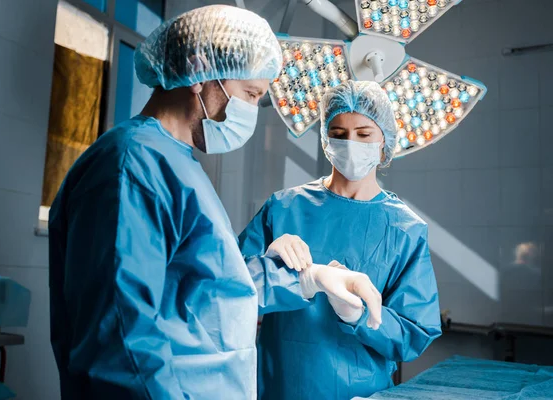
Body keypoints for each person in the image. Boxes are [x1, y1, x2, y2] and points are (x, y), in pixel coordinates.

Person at [48, 6, 382, 399]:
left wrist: (308, 278)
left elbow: (208, 292)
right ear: (199, 69)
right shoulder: (130, 167)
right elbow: (120, 339)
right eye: (250, 94)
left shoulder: (177, 163)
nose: (250, 112)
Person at [239, 80, 443, 400]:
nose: (351, 143)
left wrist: (359, 316)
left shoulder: (405, 229)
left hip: (359, 393)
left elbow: (414, 332)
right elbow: (225, 283)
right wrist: (265, 260)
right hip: (279, 384)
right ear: (325, 140)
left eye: (363, 134)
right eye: (338, 134)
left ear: (384, 143)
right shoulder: (283, 208)